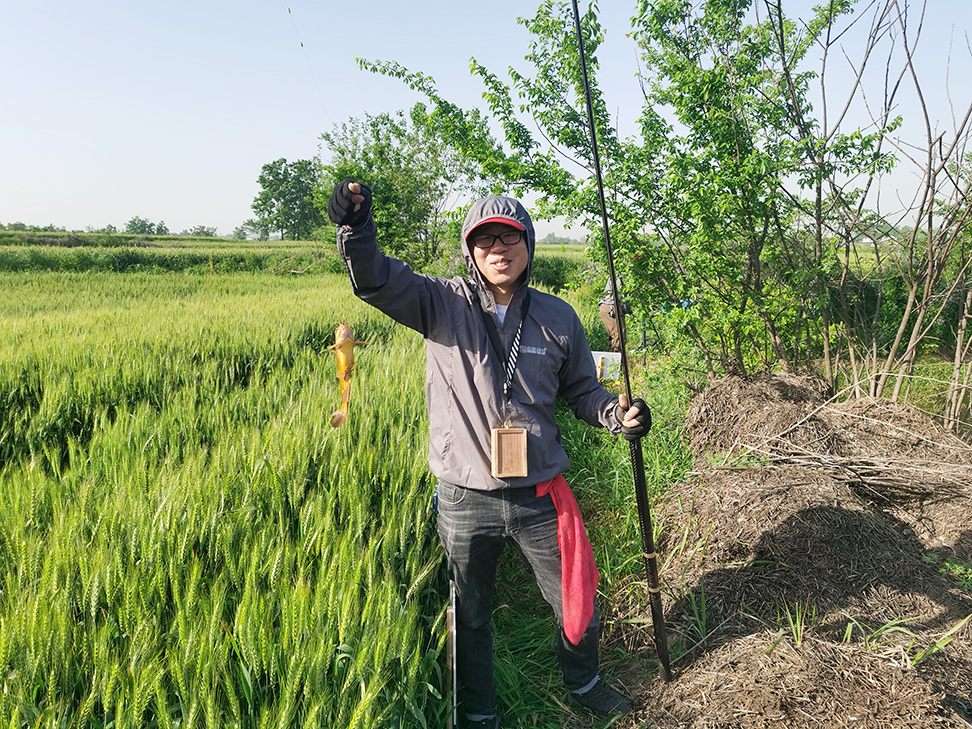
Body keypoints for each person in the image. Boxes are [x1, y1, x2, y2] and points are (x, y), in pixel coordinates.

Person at [328, 179, 651, 728]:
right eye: (485, 240)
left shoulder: (558, 316)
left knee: (575, 598)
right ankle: (477, 712)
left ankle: (584, 681)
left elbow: (583, 391)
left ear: (528, 245)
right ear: (470, 249)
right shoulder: (440, 302)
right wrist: (356, 229)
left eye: (510, 237)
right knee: (469, 612)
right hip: (464, 496)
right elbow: (376, 279)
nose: (498, 249)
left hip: (539, 494)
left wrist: (615, 415)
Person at [598, 278, 632, 353]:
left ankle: (612, 357)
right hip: (611, 307)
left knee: (615, 337)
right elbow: (619, 296)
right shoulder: (620, 276)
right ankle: (614, 359)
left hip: (608, 307)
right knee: (619, 337)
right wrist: (629, 310)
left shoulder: (620, 275)